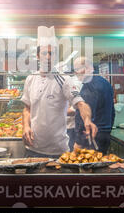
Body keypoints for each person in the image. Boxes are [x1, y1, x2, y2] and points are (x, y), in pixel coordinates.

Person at [21, 26, 98, 158]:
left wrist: (87, 119)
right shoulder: (30, 79)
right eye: (45, 53)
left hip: (57, 150)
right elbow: (27, 108)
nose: (49, 57)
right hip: (32, 147)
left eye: (52, 53)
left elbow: (81, 104)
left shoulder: (64, 79)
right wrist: (25, 126)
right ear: (38, 55)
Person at [73, 56, 115, 155]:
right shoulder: (105, 83)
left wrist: (78, 142)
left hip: (91, 137)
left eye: (78, 69)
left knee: (88, 166)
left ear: (88, 68)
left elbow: (84, 118)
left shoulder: (89, 87)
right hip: (105, 135)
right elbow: (112, 112)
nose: (76, 73)